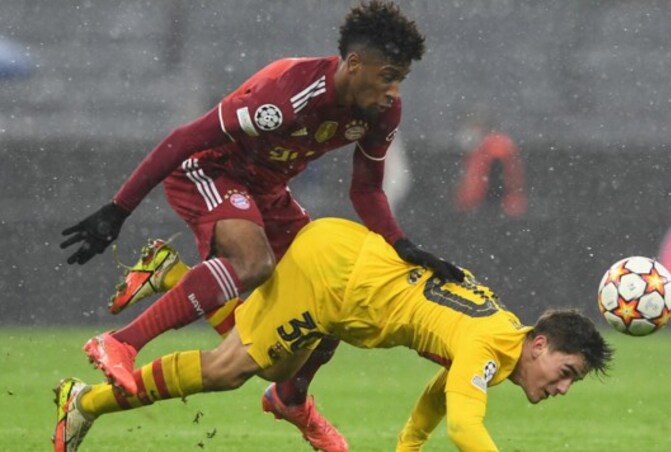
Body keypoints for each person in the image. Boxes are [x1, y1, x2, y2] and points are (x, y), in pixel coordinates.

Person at [59, 2, 462, 450]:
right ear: (354, 64)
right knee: (254, 264)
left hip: (267, 192)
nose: (393, 90)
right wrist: (118, 209)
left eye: (400, 78)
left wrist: (403, 245)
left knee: (327, 293)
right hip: (210, 172)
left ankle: (290, 397)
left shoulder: (380, 113)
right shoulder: (285, 97)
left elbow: (365, 191)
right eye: (388, 75)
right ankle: (122, 342)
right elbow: (185, 139)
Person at [53, 217, 614, 452]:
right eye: (566, 372)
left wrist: (407, 447)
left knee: (273, 365)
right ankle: (85, 402)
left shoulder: (496, 335)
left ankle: (176, 277)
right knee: (231, 370)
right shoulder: (487, 344)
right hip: (333, 286)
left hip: (347, 270)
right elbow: (467, 425)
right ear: (539, 344)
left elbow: (441, 397)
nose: (562, 387)